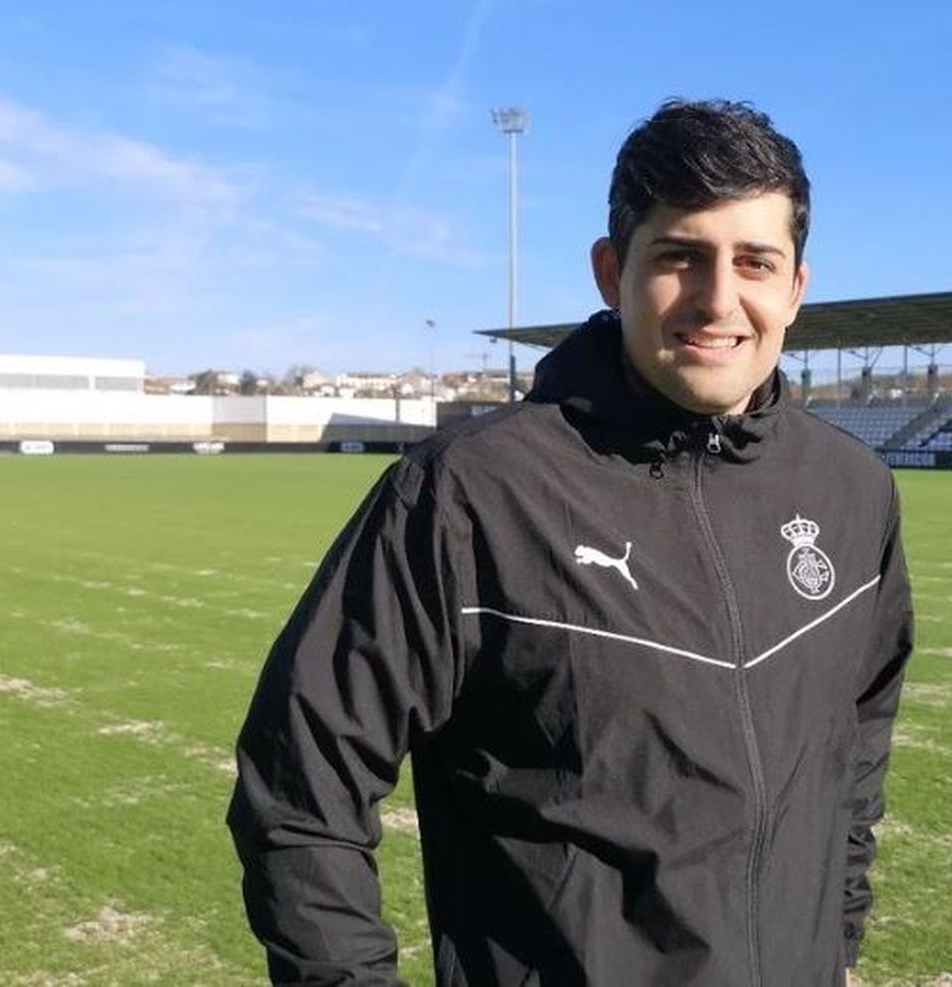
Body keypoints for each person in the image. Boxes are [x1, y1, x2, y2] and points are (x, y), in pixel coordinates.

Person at [228, 98, 914, 986]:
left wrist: (836, 943)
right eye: (679, 255)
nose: (718, 298)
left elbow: (857, 744)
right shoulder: (469, 494)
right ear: (610, 271)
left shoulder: (851, 490)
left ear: (794, 288)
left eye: (754, 261)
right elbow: (299, 784)